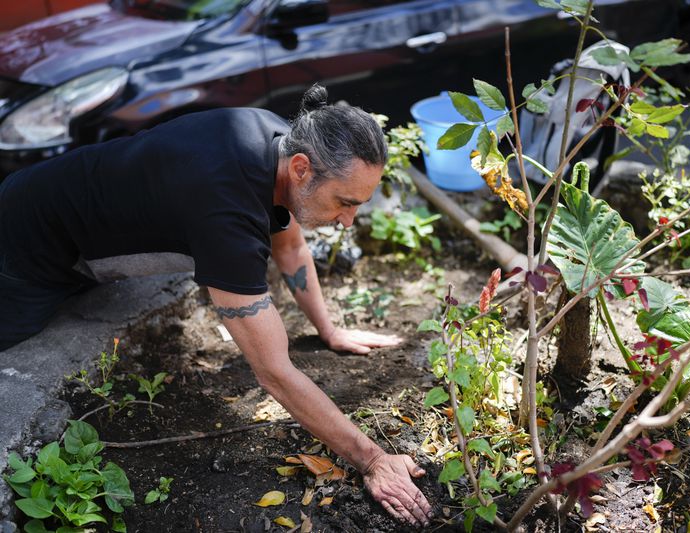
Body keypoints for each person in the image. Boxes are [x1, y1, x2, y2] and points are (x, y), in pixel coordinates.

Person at [0, 84, 433, 526]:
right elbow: (274, 373)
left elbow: (291, 250)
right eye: (344, 203)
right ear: (302, 169)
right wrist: (374, 459)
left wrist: (330, 331)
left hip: (64, 212)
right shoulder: (227, 211)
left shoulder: (277, 144)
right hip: (26, 242)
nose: (347, 221)